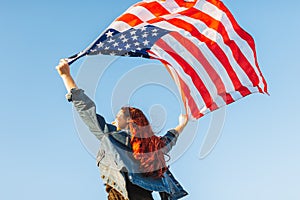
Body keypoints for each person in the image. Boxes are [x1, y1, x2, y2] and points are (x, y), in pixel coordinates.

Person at [56, 59, 189, 200]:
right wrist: (182, 124)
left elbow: (87, 110)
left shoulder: (112, 136)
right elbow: (169, 140)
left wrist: (66, 77)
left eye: (117, 116)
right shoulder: (152, 145)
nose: (113, 120)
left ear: (128, 121)